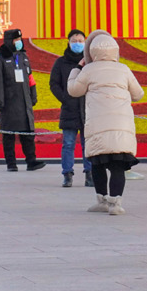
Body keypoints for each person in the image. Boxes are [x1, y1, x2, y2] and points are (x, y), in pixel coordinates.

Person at [70, 29, 145, 215]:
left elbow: (73, 90)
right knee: (118, 166)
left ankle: (101, 200)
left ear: (92, 51)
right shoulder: (124, 69)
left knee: (98, 163)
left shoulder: (88, 69)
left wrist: (76, 69)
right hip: (122, 125)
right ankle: (116, 204)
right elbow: (138, 94)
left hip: (98, 125)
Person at [0, 28, 45, 172]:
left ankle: (31, 161)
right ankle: (11, 163)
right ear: (9, 41)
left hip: (25, 102)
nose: (19, 43)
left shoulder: (23, 57)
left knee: (28, 133)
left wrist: (33, 95)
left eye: (20, 39)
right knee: (9, 134)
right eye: (16, 40)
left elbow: (30, 78)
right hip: (9, 103)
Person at [50, 28, 89, 188]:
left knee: (88, 144)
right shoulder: (61, 62)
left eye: (80, 41)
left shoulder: (90, 62)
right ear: (68, 42)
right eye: (74, 41)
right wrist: (65, 98)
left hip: (87, 109)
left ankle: (90, 174)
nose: (78, 44)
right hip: (69, 109)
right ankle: (67, 174)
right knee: (68, 143)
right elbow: (54, 83)